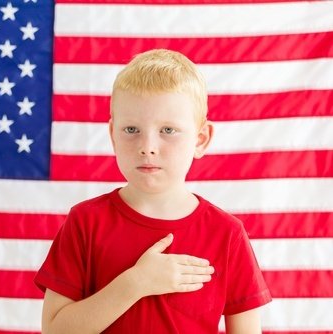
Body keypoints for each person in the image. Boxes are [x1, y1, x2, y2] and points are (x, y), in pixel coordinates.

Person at [34, 49, 272, 333]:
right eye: (132, 129)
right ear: (112, 135)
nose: (147, 146)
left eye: (168, 130)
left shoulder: (227, 233)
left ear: (200, 140)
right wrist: (134, 284)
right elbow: (54, 329)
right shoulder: (85, 222)